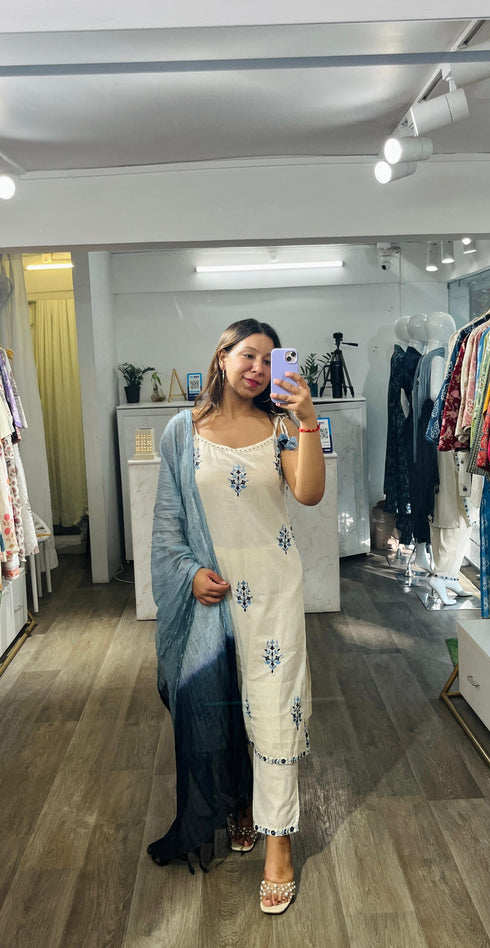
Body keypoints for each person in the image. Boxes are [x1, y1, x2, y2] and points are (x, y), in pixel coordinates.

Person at [148, 318, 325, 915]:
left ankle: (279, 845)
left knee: (274, 713)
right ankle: (239, 804)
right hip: (213, 600)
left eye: (270, 361)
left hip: (274, 592)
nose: (258, 369)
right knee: (219, 708)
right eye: (249, 355)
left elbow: (308, 493)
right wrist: (189, 573)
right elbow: (167, 522)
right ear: (222, 356)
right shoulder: (182, 431)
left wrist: (306, 418)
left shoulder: (280, 426)